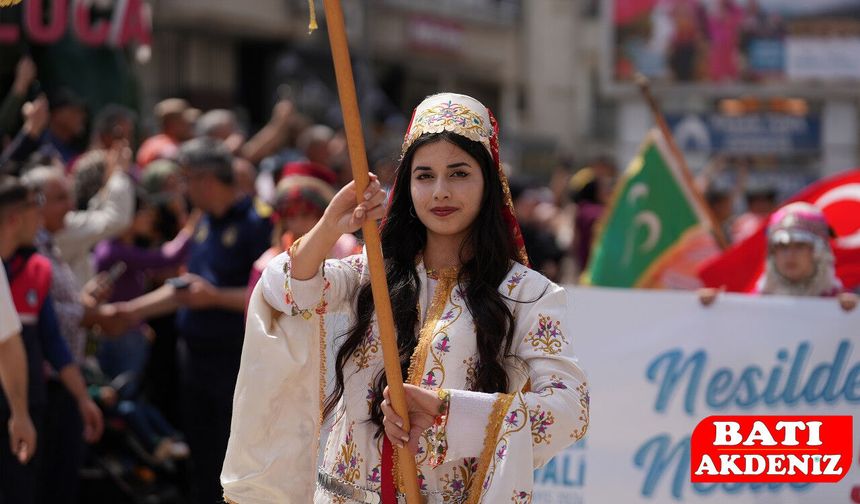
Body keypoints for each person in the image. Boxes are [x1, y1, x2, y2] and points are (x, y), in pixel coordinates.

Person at [222, 93, 590, 503]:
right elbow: (286, 292)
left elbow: (569, 410)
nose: (440, 192)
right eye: (424, 176)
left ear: (489, 183)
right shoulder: (372, 273)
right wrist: (329, 226)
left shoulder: (527, 293)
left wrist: (449, 411)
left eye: (459, 173)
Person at [124, 137, 272, 504]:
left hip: (233, 361)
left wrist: (215, 297)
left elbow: (272, 295)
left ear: (206, 179)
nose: (184, 190)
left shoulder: (258, 222)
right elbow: (186, 287)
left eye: (186, 180)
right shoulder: (204, 221)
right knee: (201, 458)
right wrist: (128, 312)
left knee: (231, 458)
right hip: (193, 358)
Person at [700, 202, 858, 311]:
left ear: (818, 252)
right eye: (782, 247)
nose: (790, 255)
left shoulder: (842, 306)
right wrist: (715, 310)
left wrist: (851, 317)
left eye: (800, 246)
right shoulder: (754, 304)